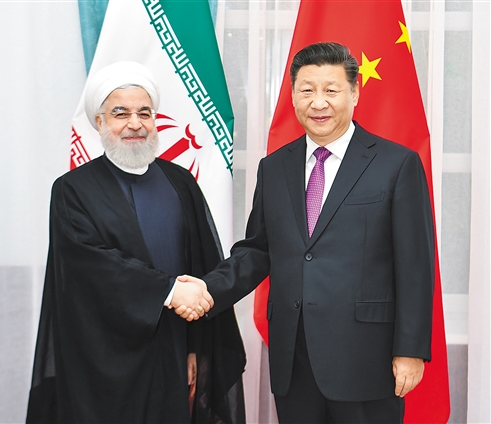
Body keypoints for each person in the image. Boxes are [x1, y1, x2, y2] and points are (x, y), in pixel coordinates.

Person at [177, 42, 434, 423]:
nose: (318, 102)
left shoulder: (396, 164)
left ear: (354, 93)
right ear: (294, 95)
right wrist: (205, 289)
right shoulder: (274, 168)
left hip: (366, 358)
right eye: (307, 90)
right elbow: (257, 251)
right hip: (293, 358)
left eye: (331, 90)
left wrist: (410, 349)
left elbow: (415, 265)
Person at [26, 61, 246, 424]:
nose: (135, 123)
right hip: (101, 360)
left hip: (172, 349)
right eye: (120, 113)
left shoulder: (180, 182)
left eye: (144, 113)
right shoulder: (72, 190)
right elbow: (94, 268)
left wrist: (195, 349)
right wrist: (170, 291)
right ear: (100, 122)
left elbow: (200, 264)